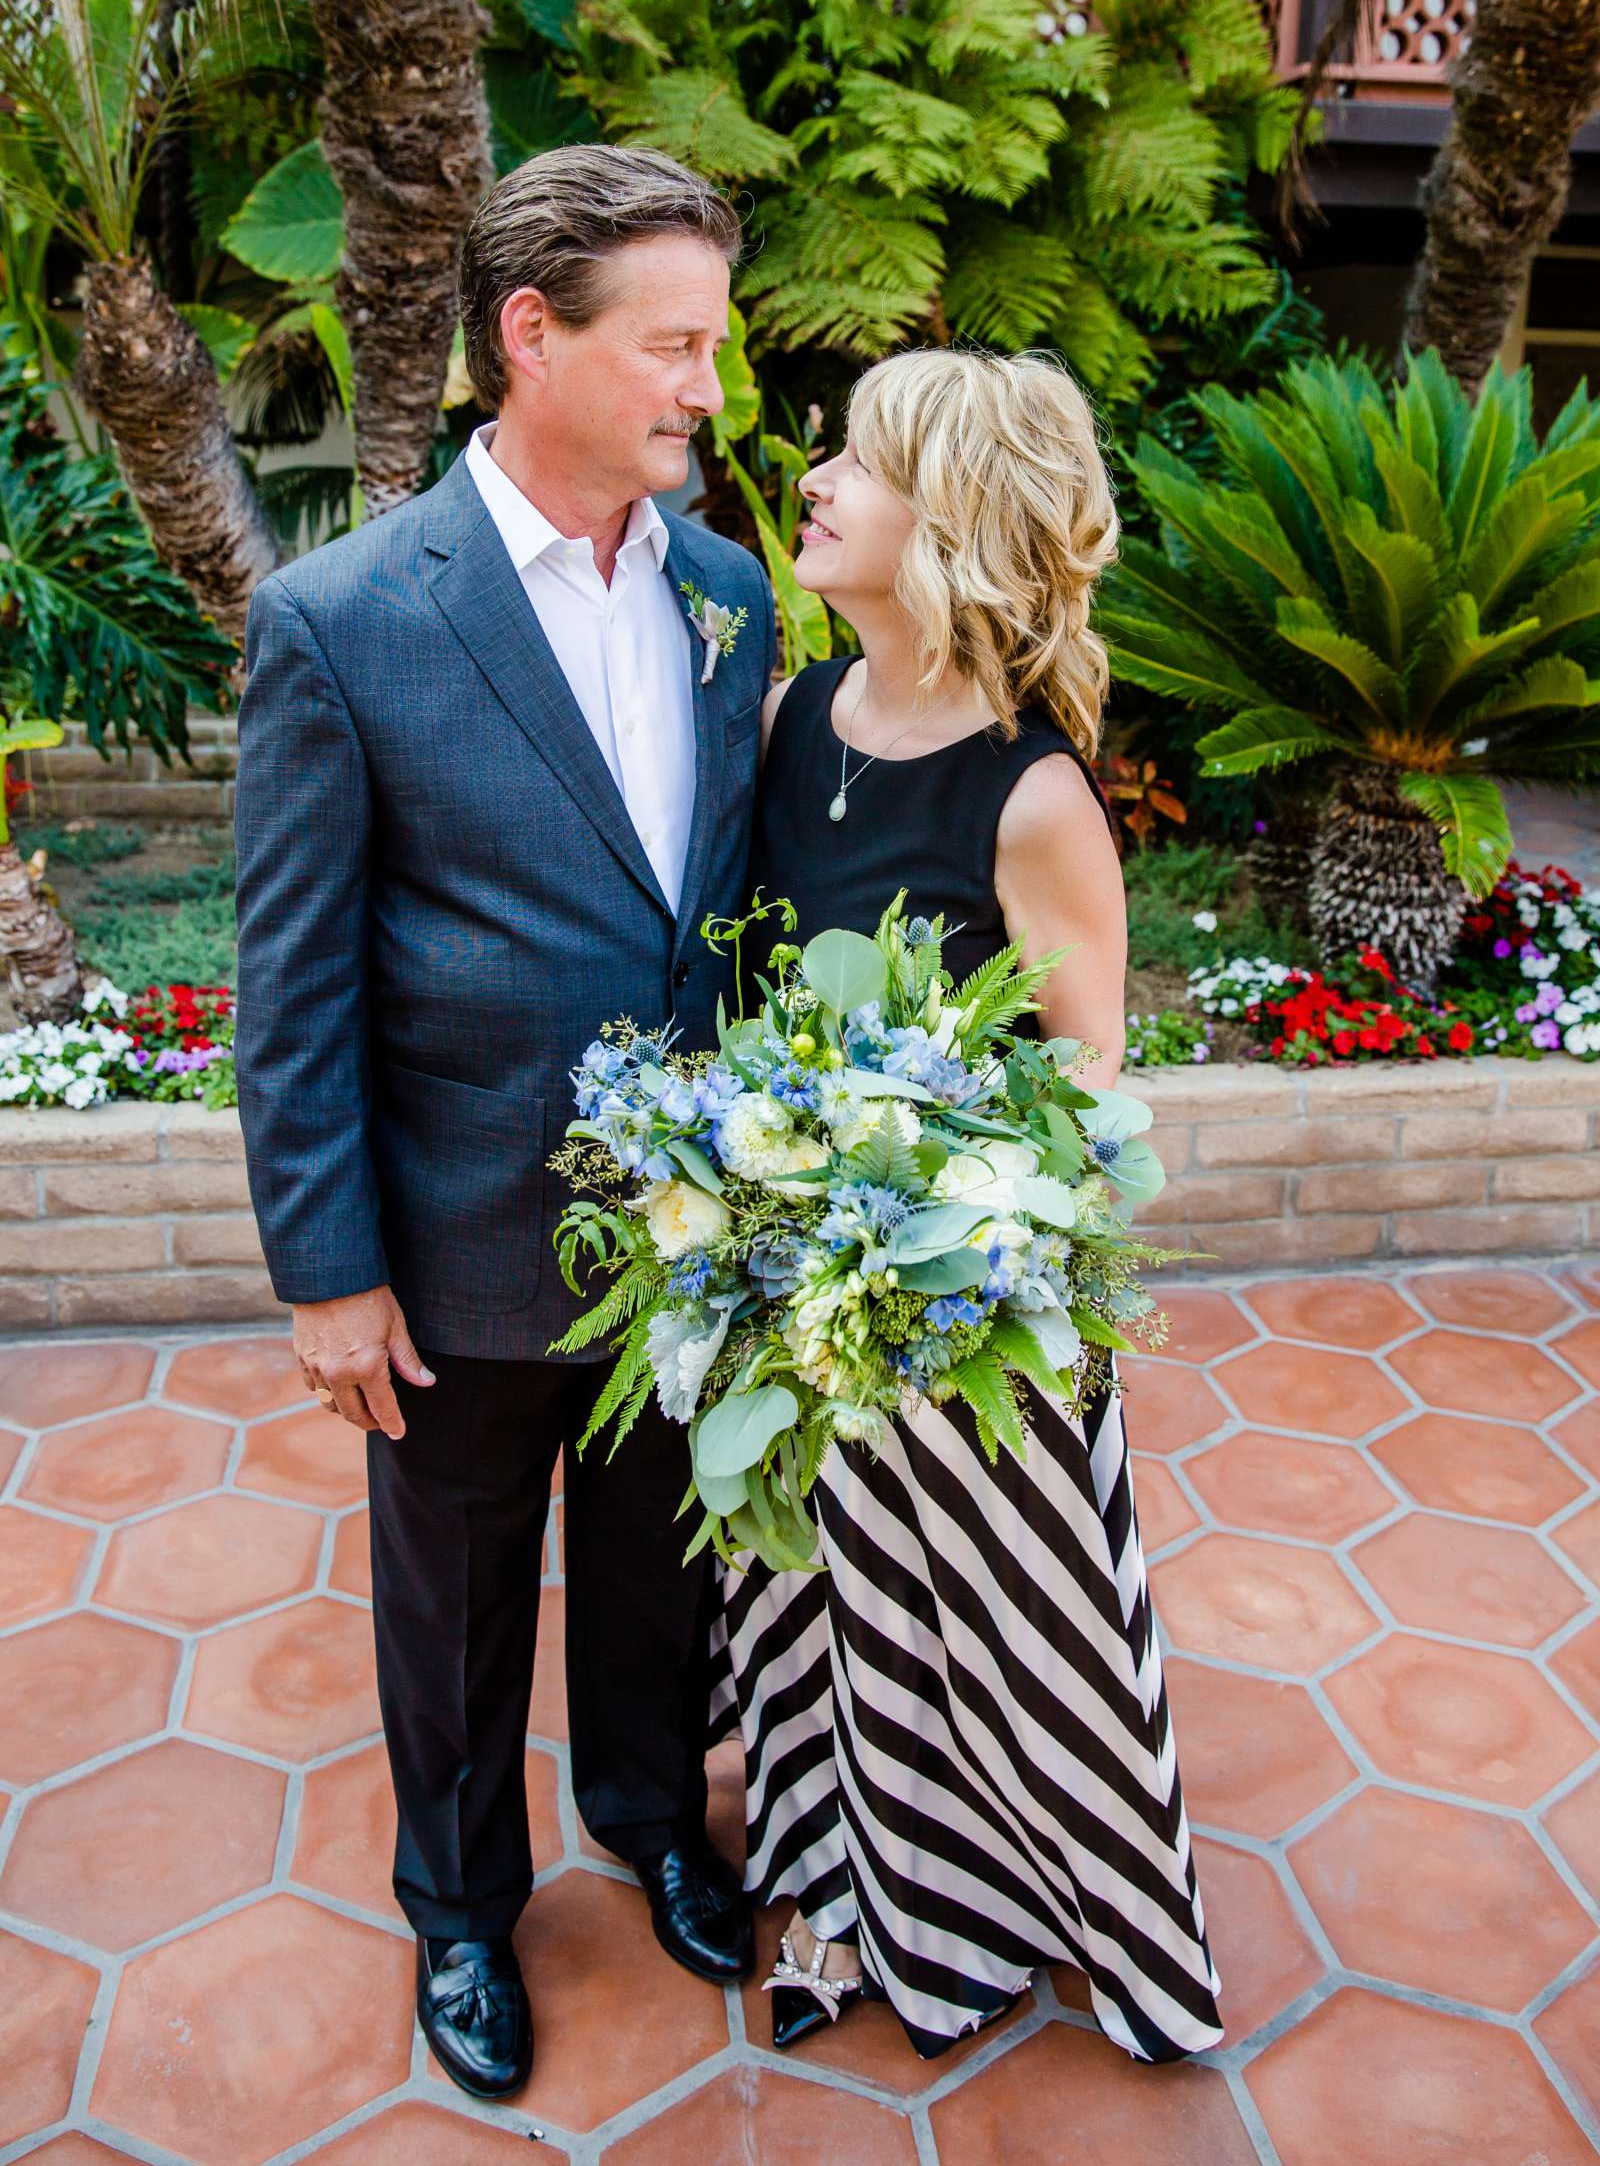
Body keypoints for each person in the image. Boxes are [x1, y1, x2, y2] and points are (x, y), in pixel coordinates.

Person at [233, 145, 772, 2102]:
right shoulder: (344, 618)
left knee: (664, 1566)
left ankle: (650, 1820)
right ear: (527, 333)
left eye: (710, 344)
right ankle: (459, 1906)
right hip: (456, 1234)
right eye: (670, 345)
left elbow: (716, 907)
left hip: (688, 1235)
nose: (704, 387)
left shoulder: (728, 590)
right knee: (452, 1602)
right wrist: (328, 1271)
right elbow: (293, 984)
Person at [710, 347, 1225, 2063]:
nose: (815, 478)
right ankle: (851, 1875)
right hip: (799, 1271)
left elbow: (1087, 1087)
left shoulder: (1034, 795)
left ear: (951, 527)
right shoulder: (792, 714)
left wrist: (942, 1220)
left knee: (984, 1616)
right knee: (835, 1597)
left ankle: (999, 1904)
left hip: (966, 1309)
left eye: (855, 461)